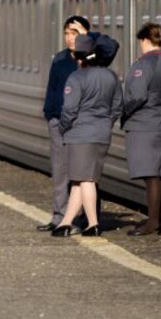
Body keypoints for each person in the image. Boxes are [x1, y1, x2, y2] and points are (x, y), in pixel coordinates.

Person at [53, 32, 122, 238]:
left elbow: (70, 109)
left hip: (80, 134)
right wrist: (105, 124)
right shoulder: (111, 76)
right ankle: (66, 223)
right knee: (78, 180)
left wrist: (63, 127)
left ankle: (93, 224)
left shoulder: (76, 78)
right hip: (101, 134)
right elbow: (117, 107)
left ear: (77, 55)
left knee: (86, 180)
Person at [121, 22, 161, 236]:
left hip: (143, 124)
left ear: (144, 40)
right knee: (159, 173)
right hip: (160, 121)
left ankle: (153, 223)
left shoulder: (143, 65)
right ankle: (157, 218)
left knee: (150, 174)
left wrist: (123, 109)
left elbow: (137, 95)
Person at [36, 15, 90, 232]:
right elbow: (52, 88)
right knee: (60, 171)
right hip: (58, 121)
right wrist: (49, 114)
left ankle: (85, 217)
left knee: (83, 172)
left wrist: (87, 38)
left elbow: (112, 47)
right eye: (67, 33)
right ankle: (59, 216)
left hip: (81, 123)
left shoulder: (90, 58)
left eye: (74, 33)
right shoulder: (59, 59)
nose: (69, 38)